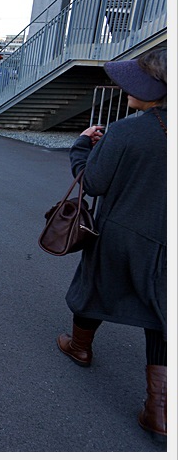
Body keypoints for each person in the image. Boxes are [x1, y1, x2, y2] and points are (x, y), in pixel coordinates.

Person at [56, 49, 167, 437]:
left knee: (95, 285)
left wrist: (84, 147)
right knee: (163, 312)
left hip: (122, 230)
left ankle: (80, 347)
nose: (125, 87)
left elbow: (95, 182)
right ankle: (160, 408)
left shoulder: (127, 130)